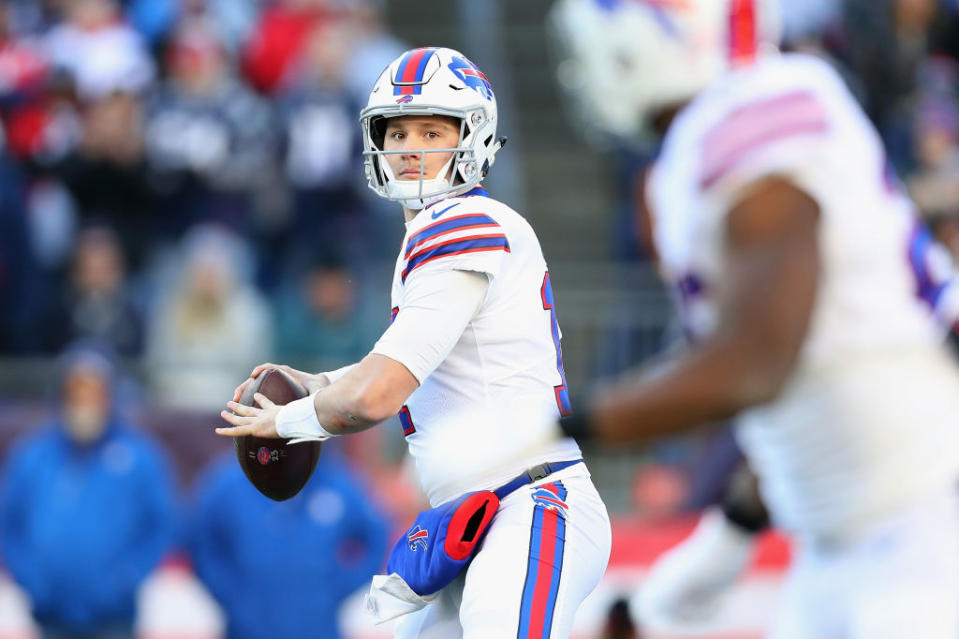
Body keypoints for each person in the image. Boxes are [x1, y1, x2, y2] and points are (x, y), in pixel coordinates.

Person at [550, 1, 959, 638]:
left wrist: (550, 428)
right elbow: (818, 375)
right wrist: (730, 537)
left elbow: (757, 361)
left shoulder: (751, 126)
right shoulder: (750, 111)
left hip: (921, 527)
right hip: (862, 533)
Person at [217, 46, 612, 638]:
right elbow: (410, 362)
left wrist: (292, 420)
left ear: (472, 138)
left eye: (431, 129)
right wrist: (321, 383)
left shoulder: (463, 226)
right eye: (396, 130)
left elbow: (377, 396)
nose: (408, 146)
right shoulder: (437, 231)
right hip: (471, 517)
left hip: (529, 505)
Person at [0, 341, 178, 639]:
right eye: (76, 394)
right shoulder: (32, 456)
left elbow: (161, 525)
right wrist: (30, 578)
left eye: (94, 394)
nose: (85, 404)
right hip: (49, 616)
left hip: (114, 619)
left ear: (110, 397)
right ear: (61, 397)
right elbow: (9, 524)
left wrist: (126, 578)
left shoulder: (139, 457)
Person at [187, 446, 389, 639]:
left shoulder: (338, 483)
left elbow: (375, 536)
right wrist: (230, 593)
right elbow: (198, 538)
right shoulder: (229, 483)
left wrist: (336, 587)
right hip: (246, 631)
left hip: (319, 630)